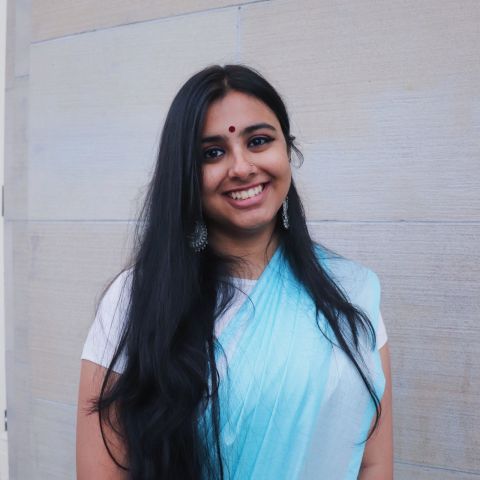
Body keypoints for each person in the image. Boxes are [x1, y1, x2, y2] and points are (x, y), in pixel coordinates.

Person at [76, 64, 393, 479]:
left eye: (259, 141)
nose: (241, 167)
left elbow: (372, 461)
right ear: (186, 174)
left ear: (288, 150)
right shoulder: (138, 298)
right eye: (212, 153)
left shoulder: (351, 292)